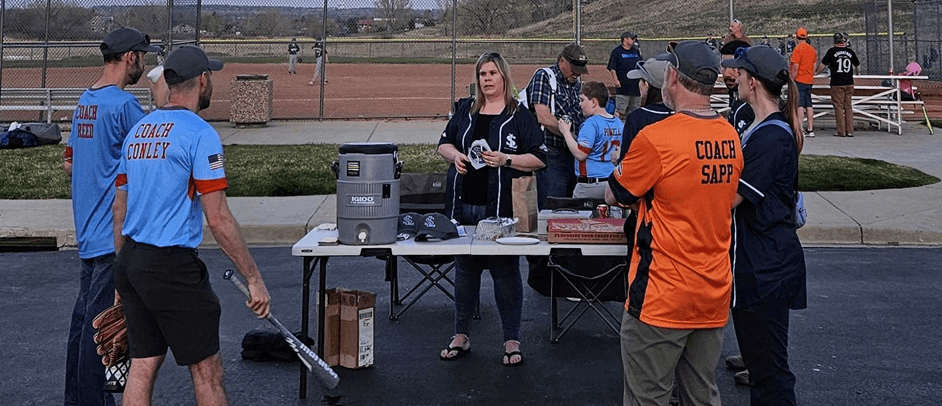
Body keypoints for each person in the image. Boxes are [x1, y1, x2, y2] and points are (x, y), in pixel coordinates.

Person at [112, 45, 271, 405]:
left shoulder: (138, 132)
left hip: (131, 261)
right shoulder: (200, 134)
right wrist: (253, 278)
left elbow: (119, 209)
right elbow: (218, 218)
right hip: (171, 266)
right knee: (207, 371)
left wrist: (120, 274)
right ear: (202, 81)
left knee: (142, 365)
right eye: (210, 76)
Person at [605, 41, 742, 406]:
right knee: (701, 394)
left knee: (647, 397)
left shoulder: (657, 137)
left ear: (672, 77)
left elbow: (616, 194)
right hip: (712, 291)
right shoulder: (729, 135)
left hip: (662, 295)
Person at [62, 27, 159, 406]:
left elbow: (70, 164)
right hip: (111, 235)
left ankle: (77, 399)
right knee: (103, 333)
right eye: (142, 57)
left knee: (84, 325)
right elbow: (150, 159)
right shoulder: (124, 106)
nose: (143, 64)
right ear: (130, 57)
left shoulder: (85, 101)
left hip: (89, 232)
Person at [437, 52, 546, 367]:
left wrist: (506, 159)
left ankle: (511, 339)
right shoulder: (465, 110)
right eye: (482, 74)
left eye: (492, 73)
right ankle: (461, 334)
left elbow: (539, 158)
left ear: (504, 78)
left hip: (501, 211)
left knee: (505, 274)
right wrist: (455, 155)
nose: (486, 79)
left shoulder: (519, 115)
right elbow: (443, 143)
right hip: (464, 209)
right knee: (465, 273)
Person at [721, 44, 807, 406]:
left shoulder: (772, 137)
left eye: (739, 72)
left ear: (753, 81)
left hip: (767, 267)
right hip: (755, 263)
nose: (734, 76)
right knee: (759, 367)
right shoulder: (759, 128)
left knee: (770, 372)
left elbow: (731, 198)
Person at [526, 43, 588, 210]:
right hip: (551, 152)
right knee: (554, 206)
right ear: (562, 61)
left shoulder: (575, 82)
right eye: (574, 69)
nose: (577, 74)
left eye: (580, 70)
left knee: (572, 206)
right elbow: (543, 116)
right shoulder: (545, 77)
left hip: (573, 153)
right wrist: (569, 135)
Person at [558, 81, 621, 200]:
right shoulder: (618, 122)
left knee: (579, 212)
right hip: (612, 182)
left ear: (593, 102)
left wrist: (566, 132)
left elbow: (581, 154)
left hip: (590, 184)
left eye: (582, 100)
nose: (580, 104)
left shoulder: (591, 124)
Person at [617, 56, 672, 163]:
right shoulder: (680, 114)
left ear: (646, 85)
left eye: (640, 81)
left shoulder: (637, 118)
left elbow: (626, 160)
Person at [817, 32, 860, 137]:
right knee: (848, 107)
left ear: (835, 41)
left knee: (839, 107)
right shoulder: (850, 51)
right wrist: (857, 74)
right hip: (849, 82)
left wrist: (816, 73)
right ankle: (849, 130)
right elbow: (857, 65)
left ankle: (841, 131)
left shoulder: (832, 51)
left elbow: (823, 65)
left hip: (837, 83)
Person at [720, 40, 755, 136]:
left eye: (733, 67)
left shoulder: (753, 107)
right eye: (724, 67)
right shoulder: (737, 99)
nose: (727, 73)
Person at [607, 31, 643, 118]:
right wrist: (616, 80)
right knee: (620, 110)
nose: (634, 40)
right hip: (623, 87)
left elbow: (640, 65)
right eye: (632, 38)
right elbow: (612, 68)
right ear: (625, 39)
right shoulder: (617, 52)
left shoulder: (635, 51)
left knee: (635, 110)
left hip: (636, 87)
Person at [790, 27, 818, 137]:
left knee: (800, 105)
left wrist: (792, 78)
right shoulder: (812, 49)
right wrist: (811, 74)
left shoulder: (797, 49)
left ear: (796, 37)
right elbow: (814, 65)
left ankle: (800, 128)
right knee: (809, 104)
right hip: (809, 79)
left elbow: (795, 67)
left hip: (799, 79)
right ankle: (810, 129)